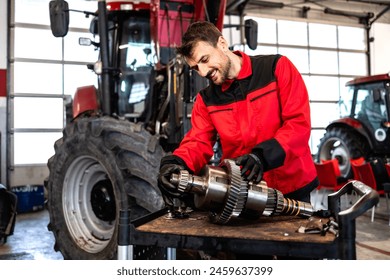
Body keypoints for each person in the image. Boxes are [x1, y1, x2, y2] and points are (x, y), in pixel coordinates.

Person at [158, 21, 319, 207]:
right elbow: (198, 142)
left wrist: (261, 156)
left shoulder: (276, 68)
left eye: (204, 60)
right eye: (195, 68)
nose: (203, 72)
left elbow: (298, 125)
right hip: (245, 193)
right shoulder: (206, 100)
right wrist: (176, 163)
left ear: (222, 44)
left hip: (293, 189)